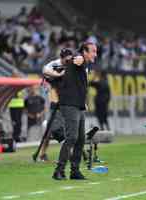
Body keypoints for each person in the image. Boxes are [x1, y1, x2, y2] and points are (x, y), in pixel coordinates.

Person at [52, 42, 97, 180]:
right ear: (85, 51)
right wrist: (77, 58)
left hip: (78, 105)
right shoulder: (79, 58)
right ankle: (58, 171)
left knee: (81, 139)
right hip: (70, 104)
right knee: (72, 137)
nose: (95, 54)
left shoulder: (85, 65)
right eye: (93, 51)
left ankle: (74, 171)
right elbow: (76, 59)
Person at [38, 48, 84, 162]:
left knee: (64, 128)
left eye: (69, 59)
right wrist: (59, 74)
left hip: (66, 96)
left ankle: (71, 152)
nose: (67, 62)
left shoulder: (74, 63)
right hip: (54, 94)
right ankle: (43, 154)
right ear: (61, 58)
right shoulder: (55, 64)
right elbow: (45, 70)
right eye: (66, 60)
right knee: (50, 129)